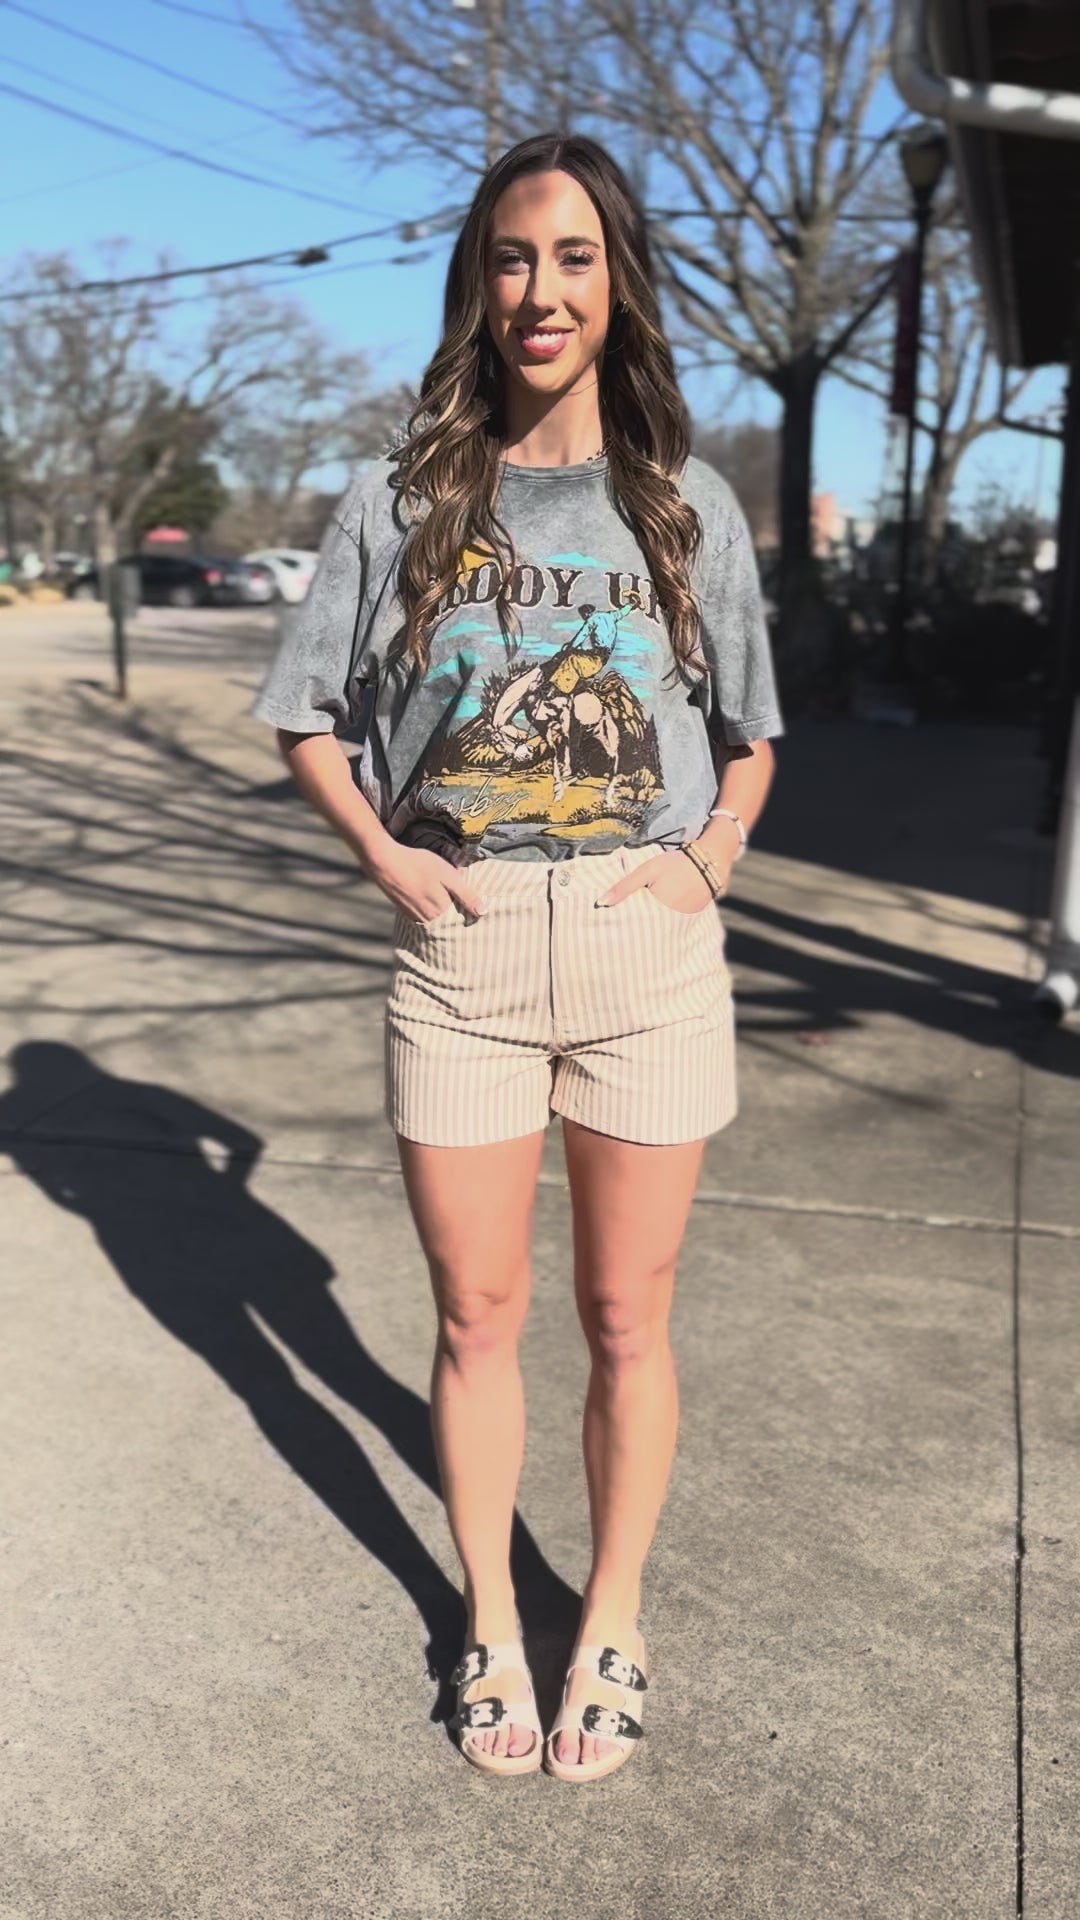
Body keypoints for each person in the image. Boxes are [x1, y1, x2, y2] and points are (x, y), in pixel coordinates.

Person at [253, 131, 783, 1783]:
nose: (538, 290)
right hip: (467, 946)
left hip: (643, 946)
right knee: (479, 1314)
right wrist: (396, 865)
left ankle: (611, 1620)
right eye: (508, 258)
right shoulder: (397, 497)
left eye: (570, 257)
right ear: (476, 285)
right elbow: (305, 717)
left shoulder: (687, 508)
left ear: (616, 281)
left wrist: (703, 868)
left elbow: (750, 736)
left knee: (628, 1317)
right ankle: (492, 1616)